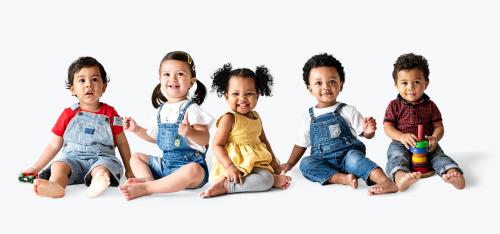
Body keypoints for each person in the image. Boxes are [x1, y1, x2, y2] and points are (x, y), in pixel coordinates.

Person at [281, 53, 397, 195]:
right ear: (309, 88)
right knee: (306, 164)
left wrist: (369, 130)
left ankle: (385, 181)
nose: (326, 87)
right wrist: (290, 163)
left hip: (348, 155)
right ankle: (342, 178)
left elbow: (366, 134)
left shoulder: (347, 110)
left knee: (357, 160)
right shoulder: (307, 117)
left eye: (332, 81)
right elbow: (301, 144)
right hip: (322, 160)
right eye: (318, 83)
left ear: (341, 85)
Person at [21, 56, 133, 198]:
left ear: (104, 86)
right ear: (73, 89)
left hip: (102, 158)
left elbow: (122, 142)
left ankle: (98, 181)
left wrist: (130, 169)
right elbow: (54, 145)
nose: (89, 85)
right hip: (73, 160)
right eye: (82, 80)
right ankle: (56, 186)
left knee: (101, 168)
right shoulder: (68, 114)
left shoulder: (111, 113)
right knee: (59, 166)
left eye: (94, 79)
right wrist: (35, 167)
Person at [120, 51, 213, 200]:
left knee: (193, 170)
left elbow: (205, 139)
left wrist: (190, 132)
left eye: (180, 74)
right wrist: (136, 129)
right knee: (136, 157)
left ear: (191, 82)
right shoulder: (161, 111)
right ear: (160, 79)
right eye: (167, 74)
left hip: (189, 165)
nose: (173, 79)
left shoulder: (192, 109)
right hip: (166, 165)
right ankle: (149, 179)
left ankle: (148, 187)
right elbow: (154, 137)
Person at [200, 63, 291, 198]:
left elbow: (263, 140)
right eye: (235, 94)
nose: (242, 98)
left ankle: (269, 178)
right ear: (226, 96)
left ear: (257, 96)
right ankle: (226, 185)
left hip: (253, 161)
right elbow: (216, 145)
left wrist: (274, 164)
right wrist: (230, 166)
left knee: (267, 175)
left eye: (249, 93)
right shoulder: (229, 118)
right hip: (235, 164)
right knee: (266, 180)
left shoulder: (256, 116)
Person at [383, 53, 465, 191]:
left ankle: (451, 171)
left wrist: (434, 138)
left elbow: (439, 126)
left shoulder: (430, 105)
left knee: (438, 156)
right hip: (401, 144)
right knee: (396, 157)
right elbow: (387, 127)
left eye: (416, 82)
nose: (410, 87)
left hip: (426, 145)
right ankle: (400, 176)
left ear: (426, 83)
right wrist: (401, 136)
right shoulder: (394, 105)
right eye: (404, 83)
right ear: (396, 85)